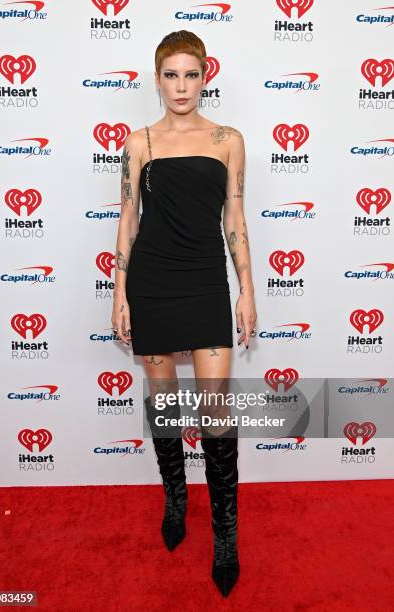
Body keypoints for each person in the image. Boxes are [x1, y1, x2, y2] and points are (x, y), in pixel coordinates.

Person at [111, 30, 256, 597]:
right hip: (152, 281)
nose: (181, 86)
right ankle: (176, 499)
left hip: (203, 283)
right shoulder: (139, 142)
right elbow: (127, 218)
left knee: (216, 410)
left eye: (190, 74)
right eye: (170, 74)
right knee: (165, 403)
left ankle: (225, 533)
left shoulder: (228, 140)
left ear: (205, 76)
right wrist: (119, 290)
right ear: (156, 79)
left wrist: (246, 289)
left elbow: (235, 221)